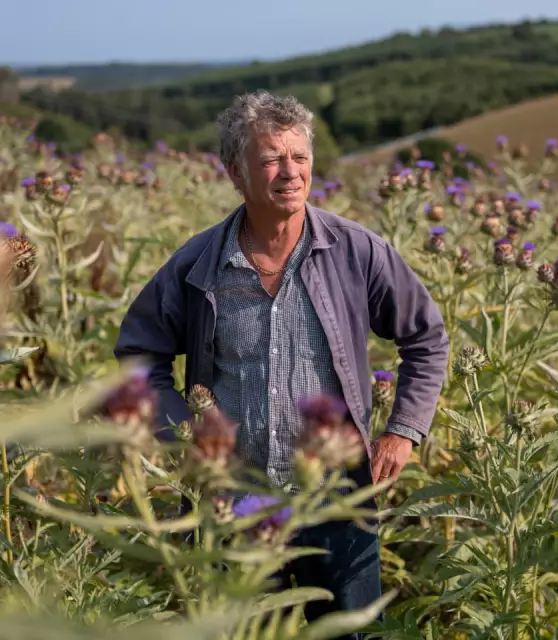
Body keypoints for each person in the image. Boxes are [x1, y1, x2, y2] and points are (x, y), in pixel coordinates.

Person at [113, 90, 449, 638]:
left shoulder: (357, 251)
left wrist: (405, 431)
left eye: (299, 157)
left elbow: (427, 338)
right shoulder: (199, 264)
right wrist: (184, 436)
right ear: (235, 173)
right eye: (270, 159)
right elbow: (138, 353)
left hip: (339, 496)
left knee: (352, 633)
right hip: (235, 500)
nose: (289, 173)